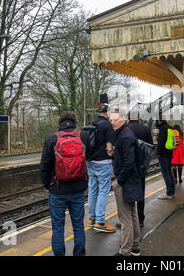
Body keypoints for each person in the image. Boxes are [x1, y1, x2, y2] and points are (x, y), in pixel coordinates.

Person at [40, 111, 90, 256]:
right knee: (78, 226)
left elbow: (44, 166)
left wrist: (48, 185)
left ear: (59, 123)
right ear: (75, 122)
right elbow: (89, 158)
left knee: (57, 228)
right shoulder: (83, 136)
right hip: (78, 189)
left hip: (58, 190)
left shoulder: (52, 138)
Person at [110, 109, 143, 256]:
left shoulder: (126, 137)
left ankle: (125, 251)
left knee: (125, 218)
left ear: (124, 119)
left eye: (115, 119)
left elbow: (129, 163)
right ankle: (135, 246)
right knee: (132, 214)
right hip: (131, 180)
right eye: (111, 120)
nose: (113, 122)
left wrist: (119, 181)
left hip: (126, 182)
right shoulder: (125, 135)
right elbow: (126, 159)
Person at [86, 103, 116, 233]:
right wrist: (111, 152)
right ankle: (100, 221)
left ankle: (92, 218)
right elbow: (109, 144)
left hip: (90, 162)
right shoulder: (107, 125)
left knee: (92, 189)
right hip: (103, 163)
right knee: (103, 191)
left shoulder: (92, 123)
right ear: (107, 112)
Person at [127, 111, 153, 227]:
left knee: (127, 192)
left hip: (128, 166)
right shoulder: (145, 129)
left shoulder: (125, 129)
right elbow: (151, 148)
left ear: (128, 117)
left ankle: (129, 219)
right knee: (141, 192)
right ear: (138, 117)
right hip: (141, 166)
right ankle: (141, 219)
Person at [156, 120, 175, 199]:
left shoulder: (162, 130)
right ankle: (172, 191)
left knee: (165, 174)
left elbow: (160, 144)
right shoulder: (169, 128)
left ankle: (169, 193)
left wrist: (157, 153)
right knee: (169, 173)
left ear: (159, 121)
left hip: (163, 155)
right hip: (169, 153)